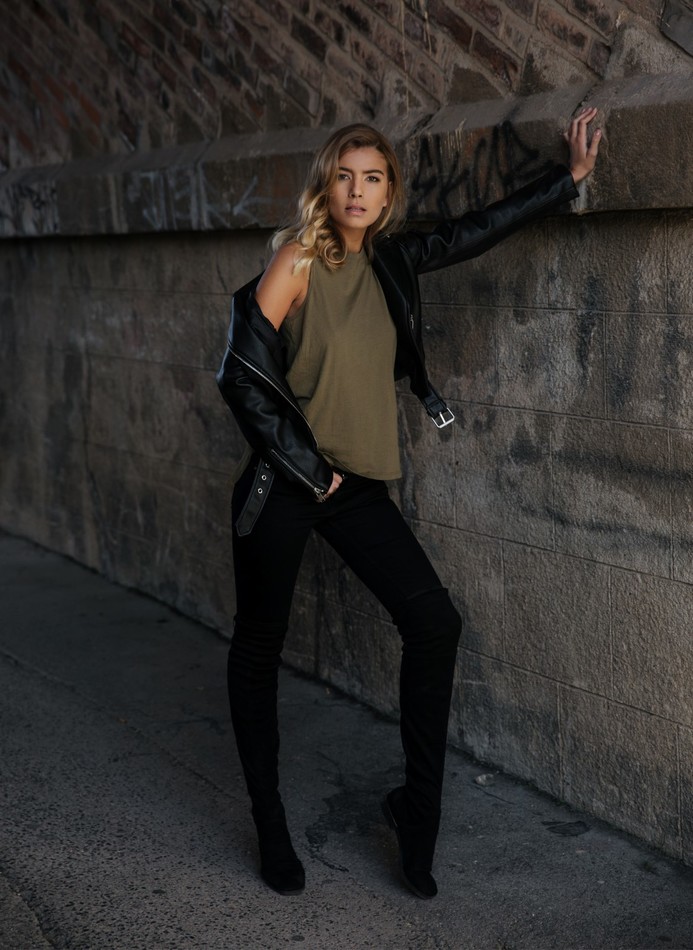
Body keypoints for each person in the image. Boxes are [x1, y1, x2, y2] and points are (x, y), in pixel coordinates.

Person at [216, 110, 601, 899]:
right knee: (258, 650)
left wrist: (565, 181)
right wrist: (306, 469)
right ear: (326, 185)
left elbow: (471, 231)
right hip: (285, 483)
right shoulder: (297, 259)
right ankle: (270, 824)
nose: (357, 191)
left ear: (388, 192)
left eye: (372, 178)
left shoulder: (390, 261)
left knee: (434, 623)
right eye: (344, 177)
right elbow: (239, 373)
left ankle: (414, 814)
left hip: (355, 485)